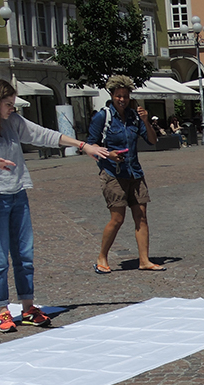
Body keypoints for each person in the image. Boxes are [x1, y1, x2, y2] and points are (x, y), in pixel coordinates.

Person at [0, 79, 112, 332]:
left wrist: (83, 145)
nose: (12, 108)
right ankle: (2, 310)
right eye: (8, 104)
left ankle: (28, 307)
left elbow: (44, 134)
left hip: (17, 194)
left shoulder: (12, 122)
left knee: (24, 255)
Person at [87, 75, 161, 274]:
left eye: (125, 96)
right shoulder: (103, 116)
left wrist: (146, 121)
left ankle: (144, 260)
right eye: (118, 96)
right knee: (117, 218)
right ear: (111, 95)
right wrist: (108, 154)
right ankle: (102, 256)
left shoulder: (134, 116)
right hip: (112, 173)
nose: (122, 99)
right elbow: (90, 145)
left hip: (134, 172)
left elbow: (152, 141)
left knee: (141, 216)